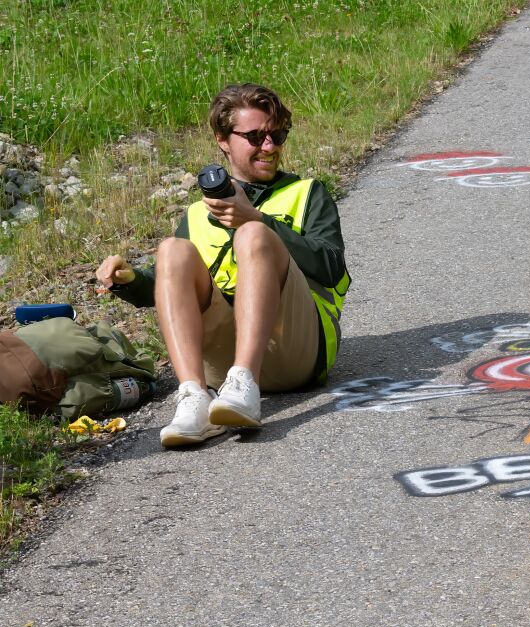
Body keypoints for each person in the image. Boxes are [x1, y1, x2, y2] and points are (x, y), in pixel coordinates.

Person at [96, 83, 350, 448]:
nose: (270, 147)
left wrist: (257, 219)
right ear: (222, 139)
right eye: (256, 136)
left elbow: (332, 269)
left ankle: (246, 380)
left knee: (253, 236)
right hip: (220, 368)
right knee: (172, 250)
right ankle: (194, 398)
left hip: (298, 353)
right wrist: (129, 279)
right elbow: (168, 291)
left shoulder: (308, 193)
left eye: (277, 135)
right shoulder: (198, 213)